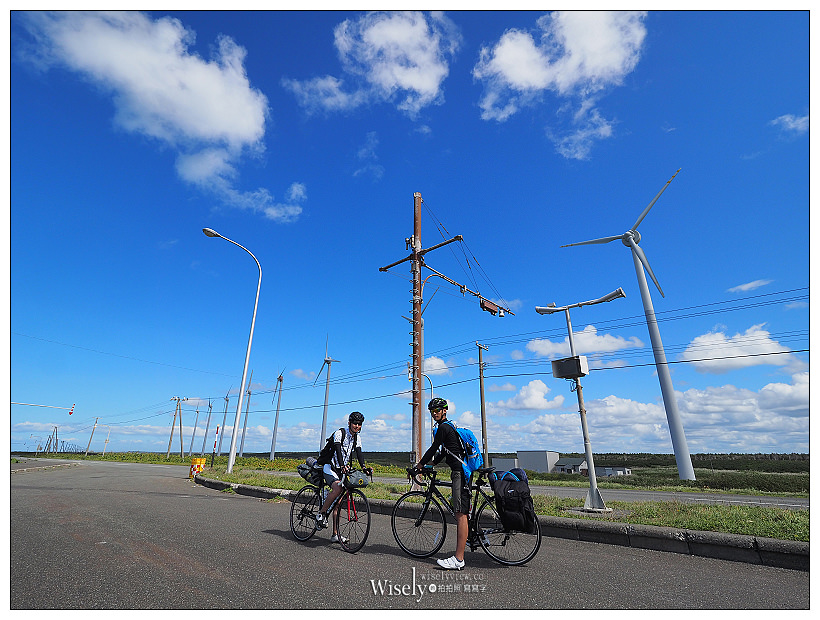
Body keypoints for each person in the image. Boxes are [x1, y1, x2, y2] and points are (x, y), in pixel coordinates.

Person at [414, 397, 469, 571]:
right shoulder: (449, 427)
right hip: (460, 471)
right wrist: (432, 464)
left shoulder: (443, 428)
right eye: (432, 412)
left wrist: (420, 465)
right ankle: (481, 536)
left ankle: (458, 559)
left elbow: (433, 448)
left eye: (437, 411)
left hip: (460, 473)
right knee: (463, 511)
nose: (434, 414)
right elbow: (443, 452)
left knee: (460, 513)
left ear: (445, 410)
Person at [315, 411, 372, 543]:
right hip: (330, 467)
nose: (357, 426)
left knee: (338, 504)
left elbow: (359, 454)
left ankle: (335, 535)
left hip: (342, 470)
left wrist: (364, 468)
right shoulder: (340, 433)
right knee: (337, 489)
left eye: (359, 424)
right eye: (355, 423)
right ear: (349, 423)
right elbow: (338, 450)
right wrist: (341, 465)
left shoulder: (357, 438)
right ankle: (321, 514)